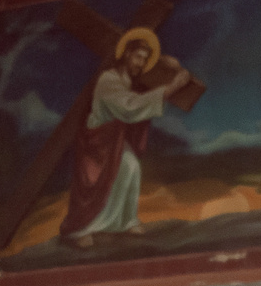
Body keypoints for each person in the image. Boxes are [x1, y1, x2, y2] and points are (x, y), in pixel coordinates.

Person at [60, 27, 192, 247]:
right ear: (127, 54)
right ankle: (79, 228)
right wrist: (173, 86)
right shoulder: (108, 80)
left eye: (145, 59)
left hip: (114, 139)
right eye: (138, 57)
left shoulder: (129, 80)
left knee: (131, 166)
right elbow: (129, 107)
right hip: (98, 143)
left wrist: (169, 65)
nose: (141, 63)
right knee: (99, 181)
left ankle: (124, 221)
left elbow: (141, 96)